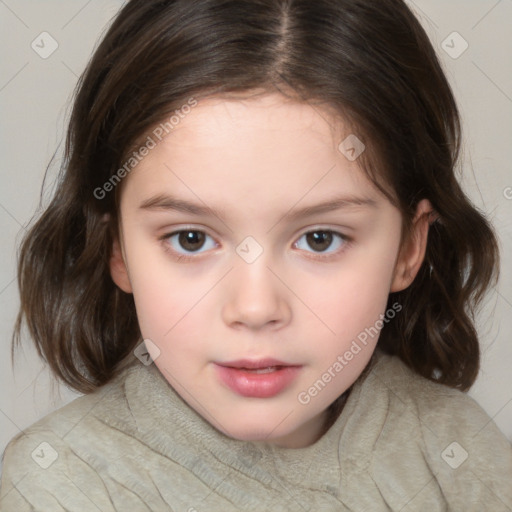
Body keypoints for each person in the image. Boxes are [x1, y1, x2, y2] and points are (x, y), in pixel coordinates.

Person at [1, 0, 511, 510]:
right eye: (191, 239)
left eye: (319, 239)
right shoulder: (63, 485)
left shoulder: (458, 453)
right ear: (118, 250)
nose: (255, 307)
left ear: (408, 247)